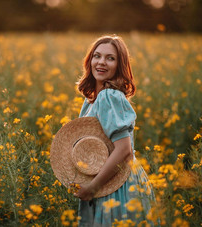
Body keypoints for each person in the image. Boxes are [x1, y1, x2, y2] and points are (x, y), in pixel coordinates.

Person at [74, 35, 157, 226]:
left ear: (120, 65)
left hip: (117, 186)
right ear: (90, 61)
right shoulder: (92, 100)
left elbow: (124, 150)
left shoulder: (108, 97)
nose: (101, 62)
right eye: (97, 56)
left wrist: (92, 188)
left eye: (110, 58)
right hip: (109, 181)